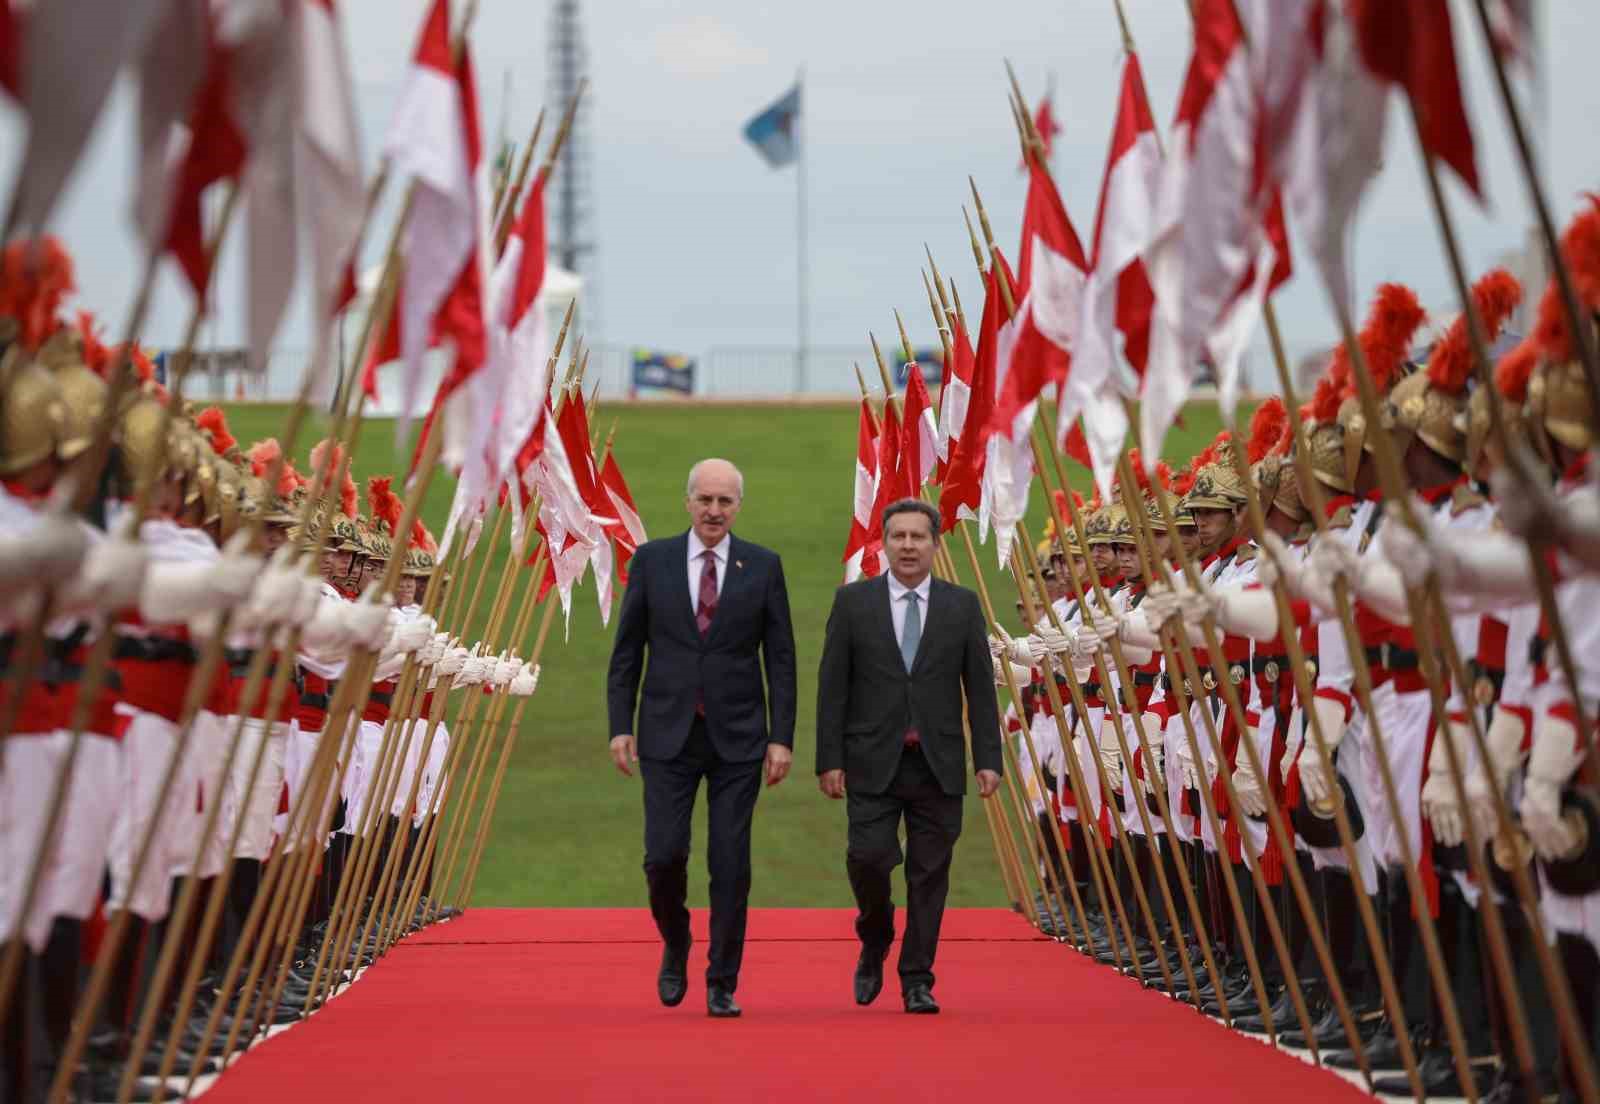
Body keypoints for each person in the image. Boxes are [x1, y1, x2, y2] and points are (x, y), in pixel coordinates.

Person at [605, 458, 797, 1019]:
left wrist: (780, 737)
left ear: (740, 506)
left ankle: (722, 980)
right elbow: (626, 653)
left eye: (725, 501)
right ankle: (676, 940)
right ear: (687, 502)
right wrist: (621, 724)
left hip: (739, 738)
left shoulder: (762, 566)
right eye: (705, 500)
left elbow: (780, 659)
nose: (715, 511)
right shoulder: (652, 561)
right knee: (664, 856)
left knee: (731, 860)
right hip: (666, 735)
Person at [815, 497, 1003, 1014]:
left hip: (938, 764)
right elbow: (832, 687)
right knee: (869, 858)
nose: (908, 546)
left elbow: (981, 688)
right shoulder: (853, 604)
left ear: (935, 545)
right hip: (871, 762)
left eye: (918, 537)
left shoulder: (962, 606)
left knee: (929, 874)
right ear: (884, 542)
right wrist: (828, 759)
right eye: (898, 536)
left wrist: (989, 758)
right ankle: (874, 936)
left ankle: (917, 977)